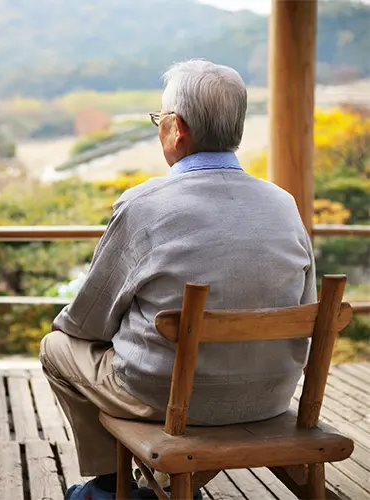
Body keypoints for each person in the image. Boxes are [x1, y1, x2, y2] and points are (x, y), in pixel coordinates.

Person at [40, 59, 316, 500]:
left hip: (169, 402)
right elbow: (306, 312)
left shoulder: (144, 204)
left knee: (56, 345)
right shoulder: (285, 204)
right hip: (272, 396)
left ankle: (110, 488)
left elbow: (85, 324)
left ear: (177, 128)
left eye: (159, 120)